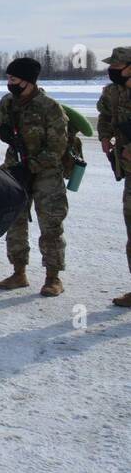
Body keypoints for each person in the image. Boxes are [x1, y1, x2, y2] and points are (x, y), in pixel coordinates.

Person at [0, 57, 69, 296]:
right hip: (16, 168)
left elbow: (57, 147)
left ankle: (53, 277)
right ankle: (19, 272)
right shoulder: (7, 103)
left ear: (28, 81)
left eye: (14, 79)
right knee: (14, 221)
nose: (10, 83)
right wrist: (3, 132)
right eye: (8, 78)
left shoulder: (49, 107)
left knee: (50, 224)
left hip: (46, 172)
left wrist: (33, 165)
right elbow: (1, 125)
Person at [97, 47, 131, 308]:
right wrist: (105, 137)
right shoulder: (112, 91)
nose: (113, 71)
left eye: (118, 66)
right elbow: (105, 115)